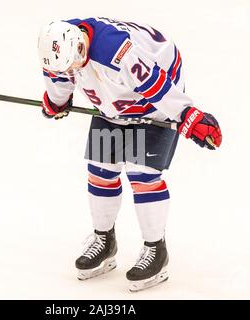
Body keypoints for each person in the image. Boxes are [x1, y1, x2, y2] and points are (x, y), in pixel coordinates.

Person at [37, 17, 222, 292]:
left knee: (143, 175)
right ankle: (104, 240)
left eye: (74, 63)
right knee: (100, 170)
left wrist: (187, 115)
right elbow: (58, 78)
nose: (72, 70)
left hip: (153, 102)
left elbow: (155, 85)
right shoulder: (58, 48)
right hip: (111, 101)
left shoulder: (116, 51)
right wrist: (56, 101)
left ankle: (156, 249)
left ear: (79, 47)